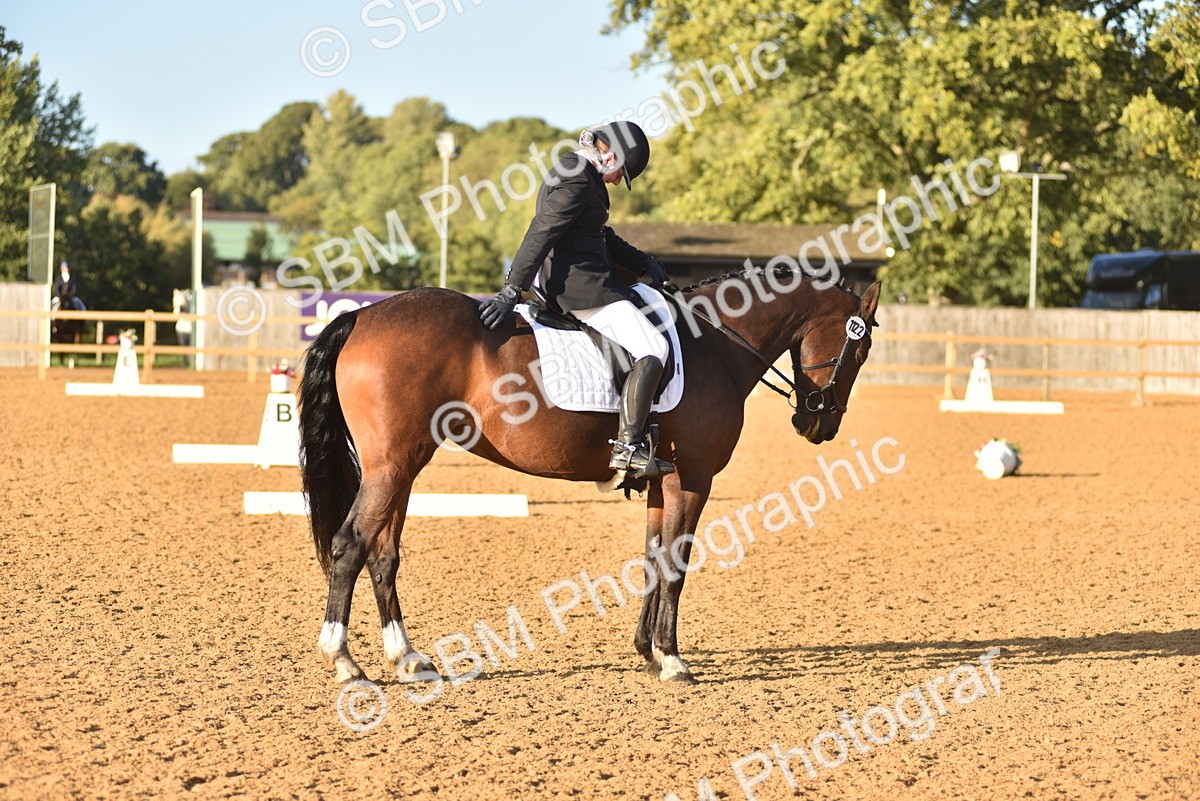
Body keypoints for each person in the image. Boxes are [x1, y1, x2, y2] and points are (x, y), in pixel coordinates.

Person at [479, 121, 675, 479]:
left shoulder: (575, 169)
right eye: (622, 174)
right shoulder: (578, 179)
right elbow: (543, 229)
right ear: (611, 155)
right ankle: (629, 449)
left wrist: (643, 262)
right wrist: (513, 288)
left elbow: (599, 234)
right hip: (585, 291)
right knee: (654, 349)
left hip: (583, 284)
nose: (618, 181)